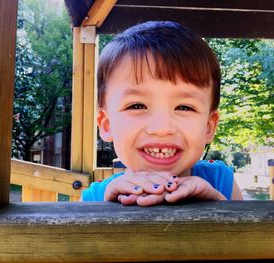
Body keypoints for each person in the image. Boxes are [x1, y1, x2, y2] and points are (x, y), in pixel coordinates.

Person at [81, 21, 243, 205]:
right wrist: (105, 210)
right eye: (136, 106)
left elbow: (252, 234)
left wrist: (219, 205)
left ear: (208, 126)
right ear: (106, 124)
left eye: (184, 107)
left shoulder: (221, 182)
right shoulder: (93, 199)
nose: (161, 128)